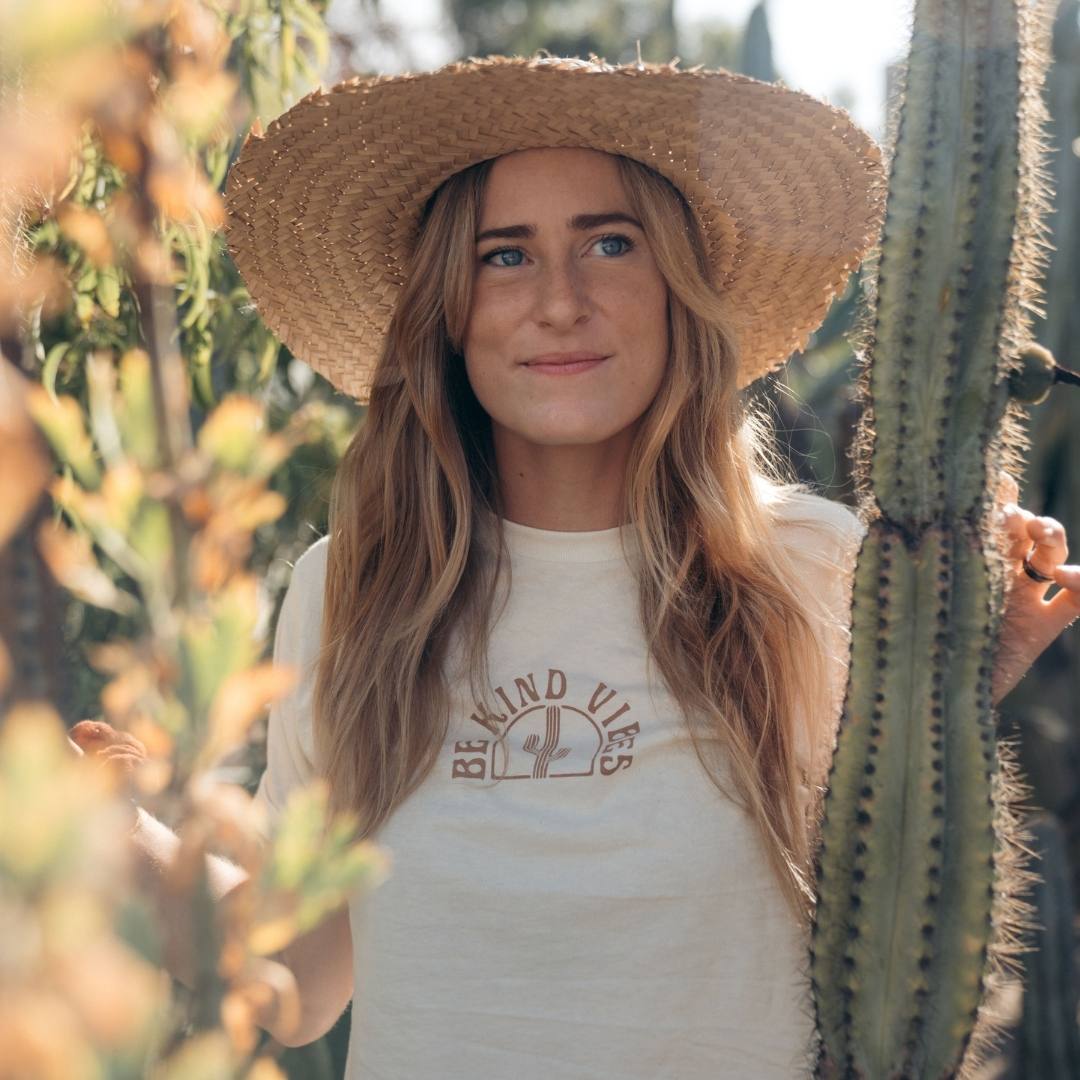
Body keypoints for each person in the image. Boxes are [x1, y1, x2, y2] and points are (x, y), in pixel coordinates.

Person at [106, 55, 1079, 1079]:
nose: (560, 302)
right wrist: (110, 835)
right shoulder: (349, 589)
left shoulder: (814, 567)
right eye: (504, 256)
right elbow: (295, 980)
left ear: (677, 291)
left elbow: (892, 937)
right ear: (447, 308)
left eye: (611, 243)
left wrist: (958, 683)